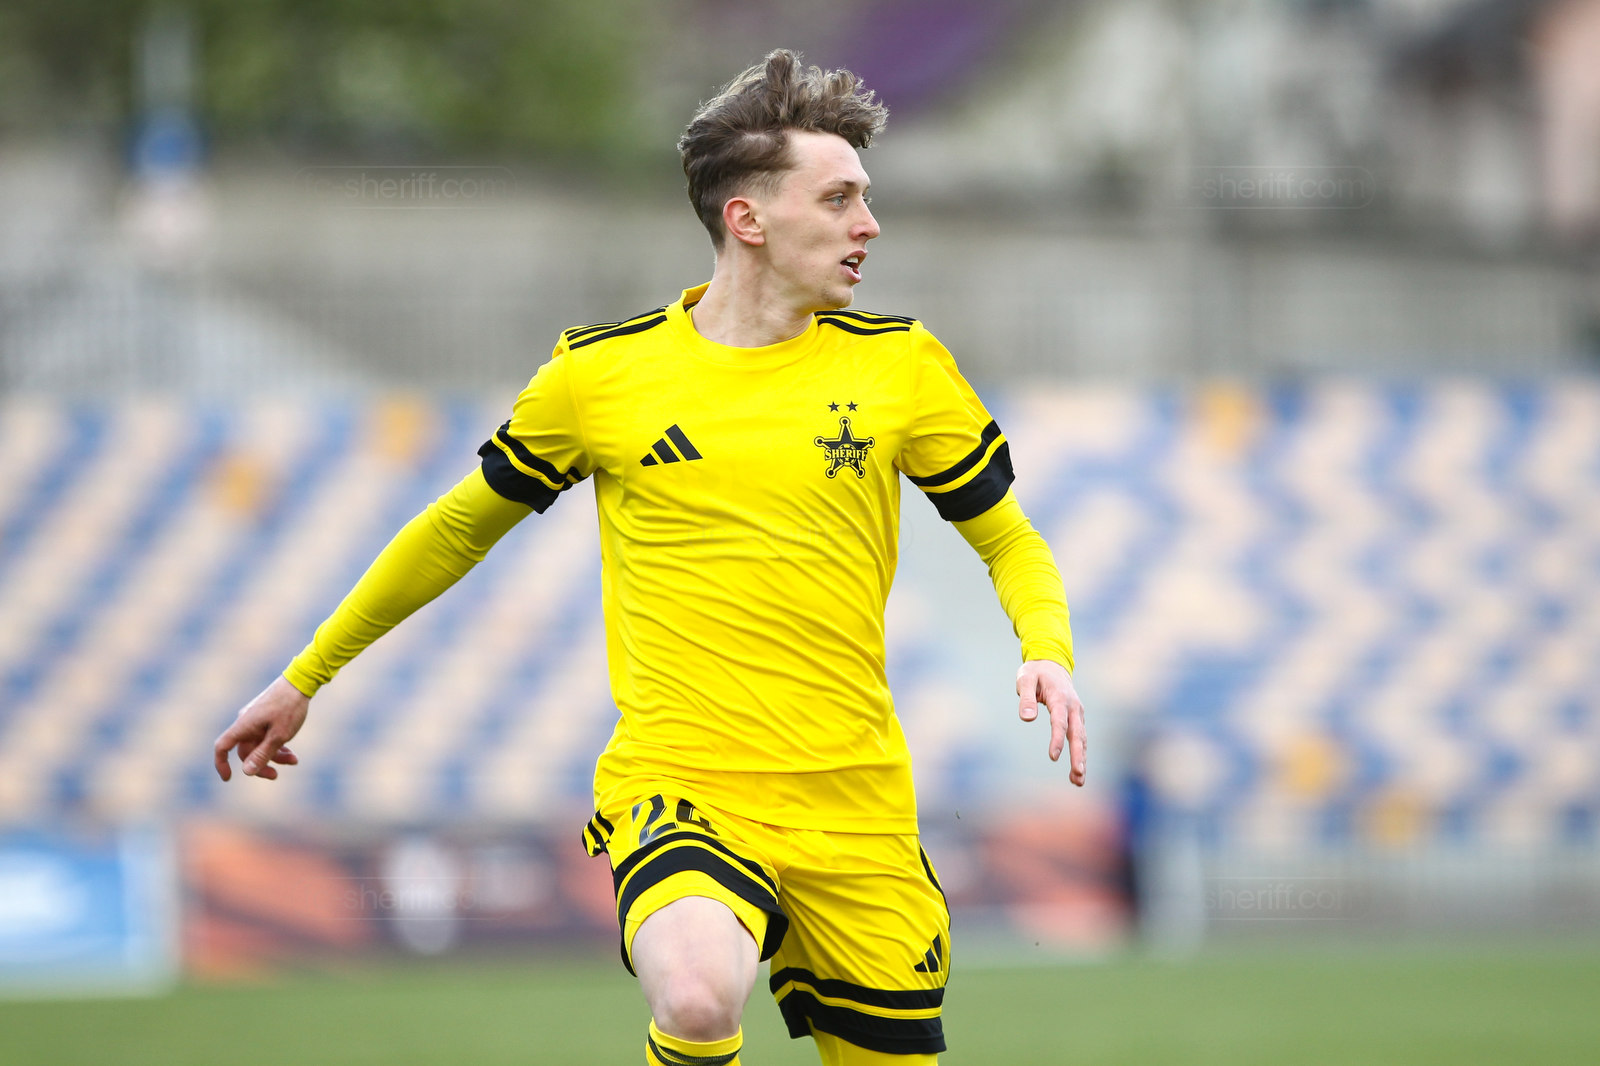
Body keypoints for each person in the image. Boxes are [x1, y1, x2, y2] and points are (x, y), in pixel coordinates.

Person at [213, 49, 1085, 1066]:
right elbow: (455, 529)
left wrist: (1047, 648)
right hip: (683, 786)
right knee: (698, 994)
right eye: (839, 197)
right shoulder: (601, 377)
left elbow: (1008, 537)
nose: (869, 224)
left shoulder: (902, 367)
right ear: (747, 219)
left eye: (865, 196)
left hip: (858, 807)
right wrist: (306, 674)